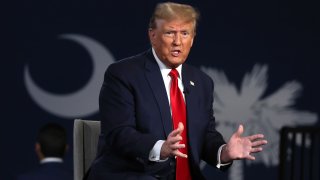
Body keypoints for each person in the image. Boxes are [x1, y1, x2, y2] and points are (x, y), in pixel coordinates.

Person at [87, 2, 267, 180]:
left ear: (193, 38)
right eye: (170, 33)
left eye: (185, 33)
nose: (177, 42)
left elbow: (205, 136)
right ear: (153, 35)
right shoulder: (124, 74)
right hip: (135, 174)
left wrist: (224, 152)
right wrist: (160, 148)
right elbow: (119, 133)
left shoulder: (202, 82)